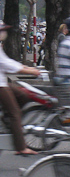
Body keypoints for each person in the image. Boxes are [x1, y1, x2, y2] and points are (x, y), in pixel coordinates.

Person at [0, 21, 41, 156]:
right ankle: (21, 146)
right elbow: (8, 65)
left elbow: (9, 63)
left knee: (23, 95)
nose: (4, 33)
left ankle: (6, 118)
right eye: (2, 31)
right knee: (15, 113)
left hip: (3, 81)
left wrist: (28, 68)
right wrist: (30, 71)